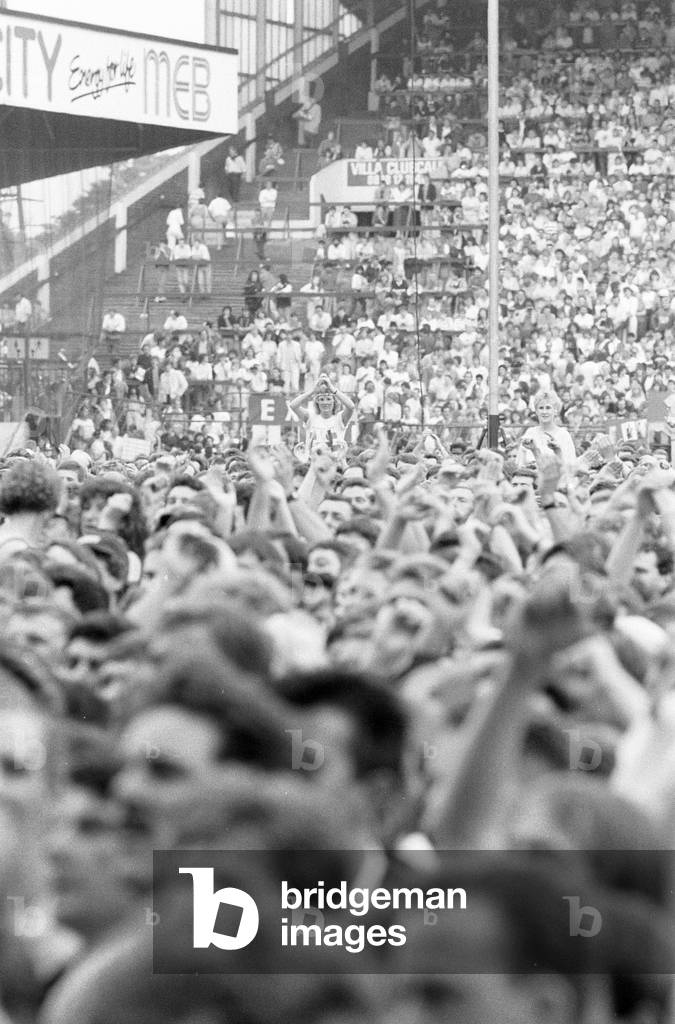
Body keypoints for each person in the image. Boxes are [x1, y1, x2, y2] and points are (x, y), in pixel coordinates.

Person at [289, 373, 355, 451]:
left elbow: (351, 406)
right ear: (317, 402)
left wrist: (332, 389)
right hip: (314, 461)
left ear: (334, 402)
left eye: (328, 399)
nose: (325, 403)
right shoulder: (310, 416)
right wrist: (312, 391)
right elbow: (293, 405)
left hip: (334, 461)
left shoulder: (340, 418)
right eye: (321, 400)